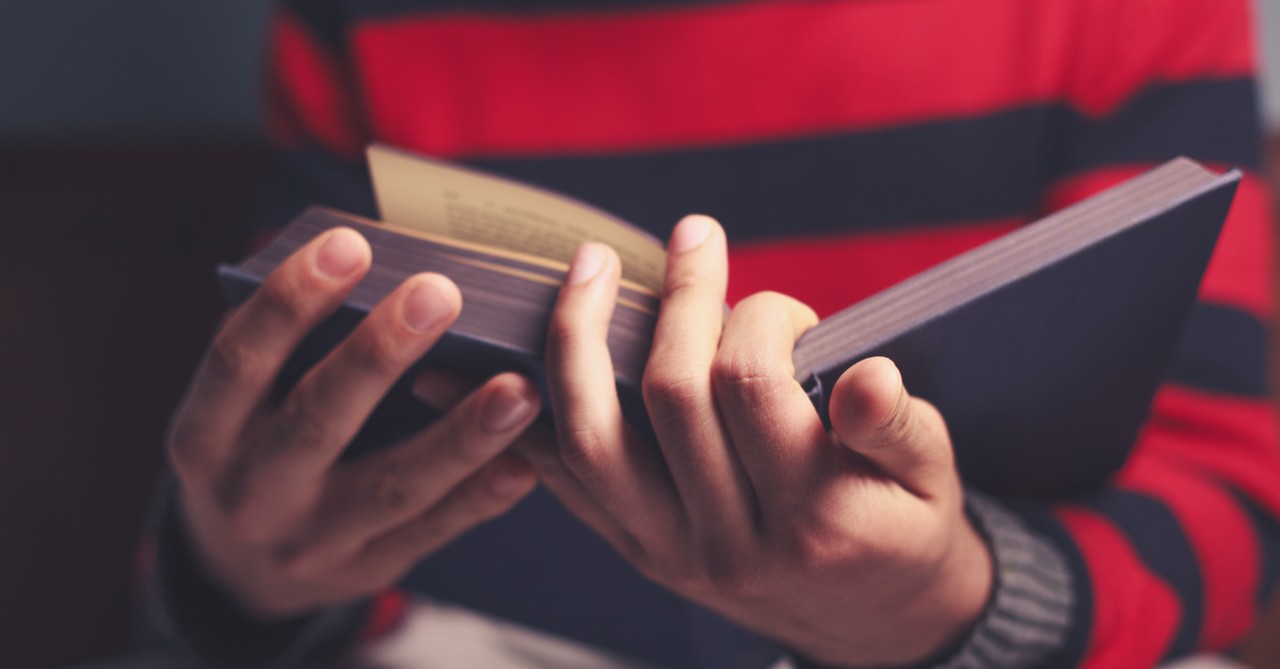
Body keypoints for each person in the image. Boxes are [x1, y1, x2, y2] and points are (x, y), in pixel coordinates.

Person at [140, 0, 1280, 666]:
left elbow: (1231, 499)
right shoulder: (361, 23)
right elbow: (312, 488)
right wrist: (235, 577)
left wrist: (944, 607)